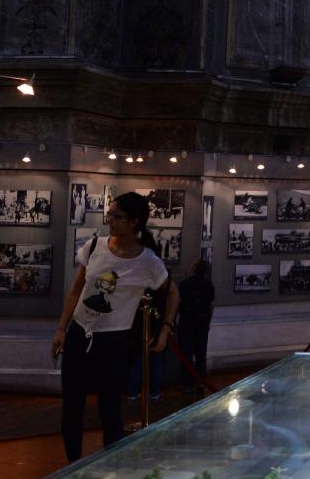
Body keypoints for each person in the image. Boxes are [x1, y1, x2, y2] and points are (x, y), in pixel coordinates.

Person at [53, 192, 178, 462]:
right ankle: (71, 466)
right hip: (79, 333)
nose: (109, 220)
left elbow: (172, 293)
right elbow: (76, 289)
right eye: (109, 214)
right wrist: (62, 328)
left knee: (110, 409)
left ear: (134, 222)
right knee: (72, 406)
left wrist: (165, 330)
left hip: (113, 341)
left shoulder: (148, 261)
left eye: (116, 216)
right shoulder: (95, 246)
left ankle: (111, 466)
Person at [177, 258, 216, 392]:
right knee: (201, 355)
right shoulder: (208, 285)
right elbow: (210, 306)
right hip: (202, 323)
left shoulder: (185, 284)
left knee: (186, 354)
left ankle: (187, 384)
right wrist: (208, 322)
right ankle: (200, 383)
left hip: (186, 323)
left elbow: (178, 302)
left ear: (193, 269)